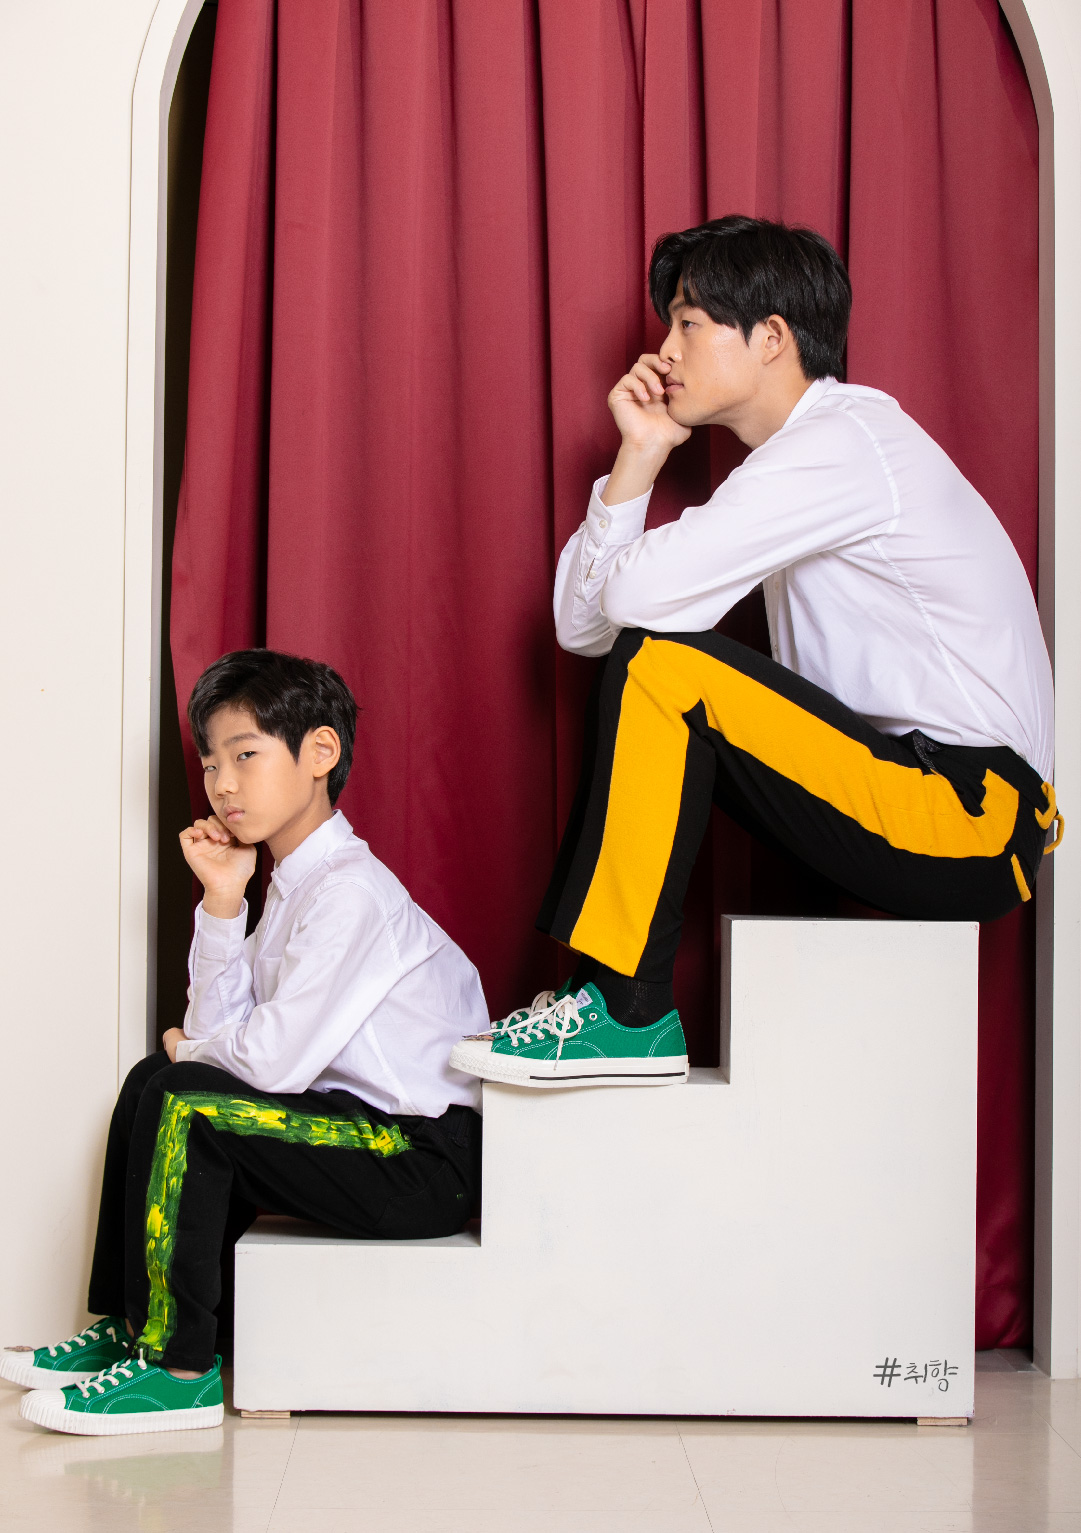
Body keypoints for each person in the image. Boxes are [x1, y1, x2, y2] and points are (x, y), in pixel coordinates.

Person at [451, 214, 1059, 1091]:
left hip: (969, 810)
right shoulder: (799, 460)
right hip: (909, 785)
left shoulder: (842, 442)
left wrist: (638, 476)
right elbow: (584, 630)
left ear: (771, 337)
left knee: (663, 669)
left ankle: (623, 1010)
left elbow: (627, 612)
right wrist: (638, 454)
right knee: (653, 663)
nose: (664, 351)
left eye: (688, 322)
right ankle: (617, 1008)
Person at [6, 649, 487, 1435]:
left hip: (419, 1157)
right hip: (359, 1132)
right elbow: (216, 1033)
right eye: (209, 763)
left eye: (245, 756)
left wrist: (191, 1052)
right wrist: (223, 899)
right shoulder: (293, 888)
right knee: (152, 1079)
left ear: (320, 753)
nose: (221, 784)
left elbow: (267, 1061)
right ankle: (131, 1327)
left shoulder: (350, 893)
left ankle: (178, 1369)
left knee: (181, 1091)